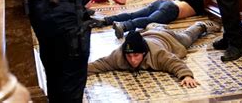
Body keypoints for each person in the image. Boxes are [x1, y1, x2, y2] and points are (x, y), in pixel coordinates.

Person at [88, 21, 221, 87]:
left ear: (144, 53)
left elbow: (174, 62)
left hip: (167, 38)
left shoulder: (158, 54)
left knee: (187, 37)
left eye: (136, 55)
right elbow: (101, 63)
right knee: (154, 27)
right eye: (129, 56)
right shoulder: (119, 55)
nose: (132, 60)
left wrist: (186, 76)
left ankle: (201, 25)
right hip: (148, 35)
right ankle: (153, 26)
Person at [96, 0, 204, 39]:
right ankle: (124, 26)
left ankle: (106, 20)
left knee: (134, 14)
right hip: (172, 9)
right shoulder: (205, 0)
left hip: (163, 2)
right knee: (150, 20)